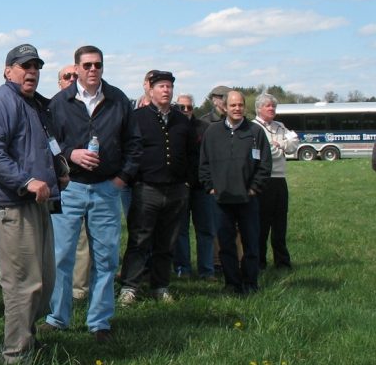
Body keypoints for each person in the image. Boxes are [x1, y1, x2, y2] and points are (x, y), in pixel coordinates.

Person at [43, 46, 141, 343]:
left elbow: (135, 144)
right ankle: (57, 318)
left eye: (97, 65)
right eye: (87, 65)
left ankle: (100, 321)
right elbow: (49, 143)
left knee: (106, 257)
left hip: (106, 190)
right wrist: (71, 154)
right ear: (76, 68)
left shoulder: (118, 100)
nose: (92, 70)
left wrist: (121, 180)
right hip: (70, 188)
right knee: (61, 257)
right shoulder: (60, 102)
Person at [0, 44, 65, 364]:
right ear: (7, 70)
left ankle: (28, 339)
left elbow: (43, 147)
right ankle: (15, 354)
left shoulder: (32, 104)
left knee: (42, 280)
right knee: (21, 284)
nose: (32, 71)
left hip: (37, 204)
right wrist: (27, 181)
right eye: (24, 65)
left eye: (36, 66)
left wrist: (59, 173)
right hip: (10, 207)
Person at [117, 71, 197, 304]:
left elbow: (193, 153)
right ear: (150, 90)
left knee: (167, 241)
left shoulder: (182, 120)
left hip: (176, 189)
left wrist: (188, 181)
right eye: (161, 86)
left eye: (169, 87)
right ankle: (130, 286)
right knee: (139, 239)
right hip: (146, 189)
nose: (166, 90)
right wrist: (134, 179)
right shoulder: (137, 117)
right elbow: (127, 150)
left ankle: (160, 285)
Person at [200, 90, 272, 295]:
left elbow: (265, 164)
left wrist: (254, 188)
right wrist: (210, 187)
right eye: (233, 105)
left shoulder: (255, 132)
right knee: (226, 244)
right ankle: (232, 283)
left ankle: (250, 283)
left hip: (247, 198)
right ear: (225, 107)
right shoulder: (212, 133)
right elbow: (203, 163)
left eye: (240, 105)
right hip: (220, 199)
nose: (237, 109)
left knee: (251, 243)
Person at [172, 93, 216, 280]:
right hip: (180, 186)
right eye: (182, 108)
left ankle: (207, 270)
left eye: (190, 107)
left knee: (205, 230)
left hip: (201, 188)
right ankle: (183, 269)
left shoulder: (204, 128)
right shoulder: (172, 127)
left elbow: (210, 158)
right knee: (180, 230)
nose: (186, 111)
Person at [253, 93, 299, 270]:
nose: (272, 109)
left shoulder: (280, 126)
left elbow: (294, 143)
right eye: (268, 106)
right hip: (264, 181)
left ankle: (282, 262)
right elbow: (264, 153)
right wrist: (280, 147)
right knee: (262, 224)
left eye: (273, 106)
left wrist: (281, 145)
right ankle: (259, 262)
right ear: (259, 108)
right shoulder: (254, 127)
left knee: (280, 223)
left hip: (280, 179)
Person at [58, 64, 91, 301]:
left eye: (73, 75)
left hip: (89, 181)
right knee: (59, 243)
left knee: (83, 241)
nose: (70, 78)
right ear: (59, 82)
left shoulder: (88, 107)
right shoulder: (53, 107)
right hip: (57, 182)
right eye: (65, 76)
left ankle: (79, 289)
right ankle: (57, 290)